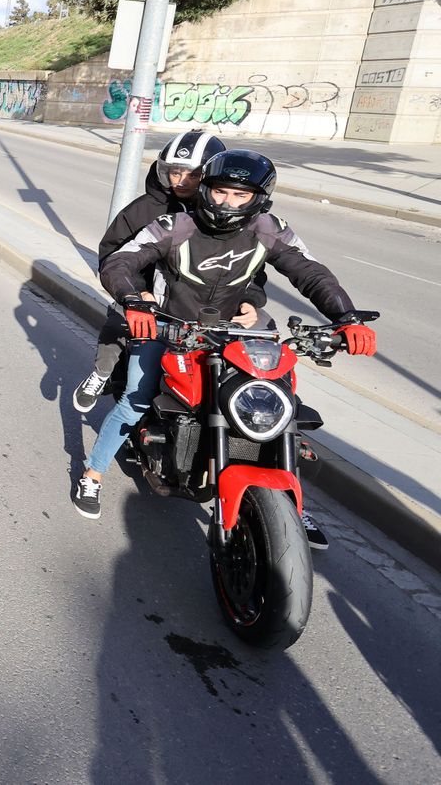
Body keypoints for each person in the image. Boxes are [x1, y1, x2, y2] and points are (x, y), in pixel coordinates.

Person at [76, 149, 378, 538]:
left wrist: (346, 318)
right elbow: (121, 260)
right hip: (170, 328)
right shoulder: (174, 226)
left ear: (259, 197)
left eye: (240, 195)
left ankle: (288, 504)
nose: (228, 202)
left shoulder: (270, 229)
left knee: (276, 403)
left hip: (236, 333)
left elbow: (311, 272)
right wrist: (135, 301)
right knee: (136, 397)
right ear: (206, 190)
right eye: (221, 192)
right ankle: (92, 473)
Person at [72, 130, 251, 412]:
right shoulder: (142, 209)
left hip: (206, 305)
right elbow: (112, 253)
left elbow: (249, 264)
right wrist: (137, 290)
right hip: (151, 296)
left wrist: (250, 300)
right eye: (174, 172)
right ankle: (102, 373)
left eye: (192, 174)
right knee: (120, 320)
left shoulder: (229, 217)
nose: (181, 181)